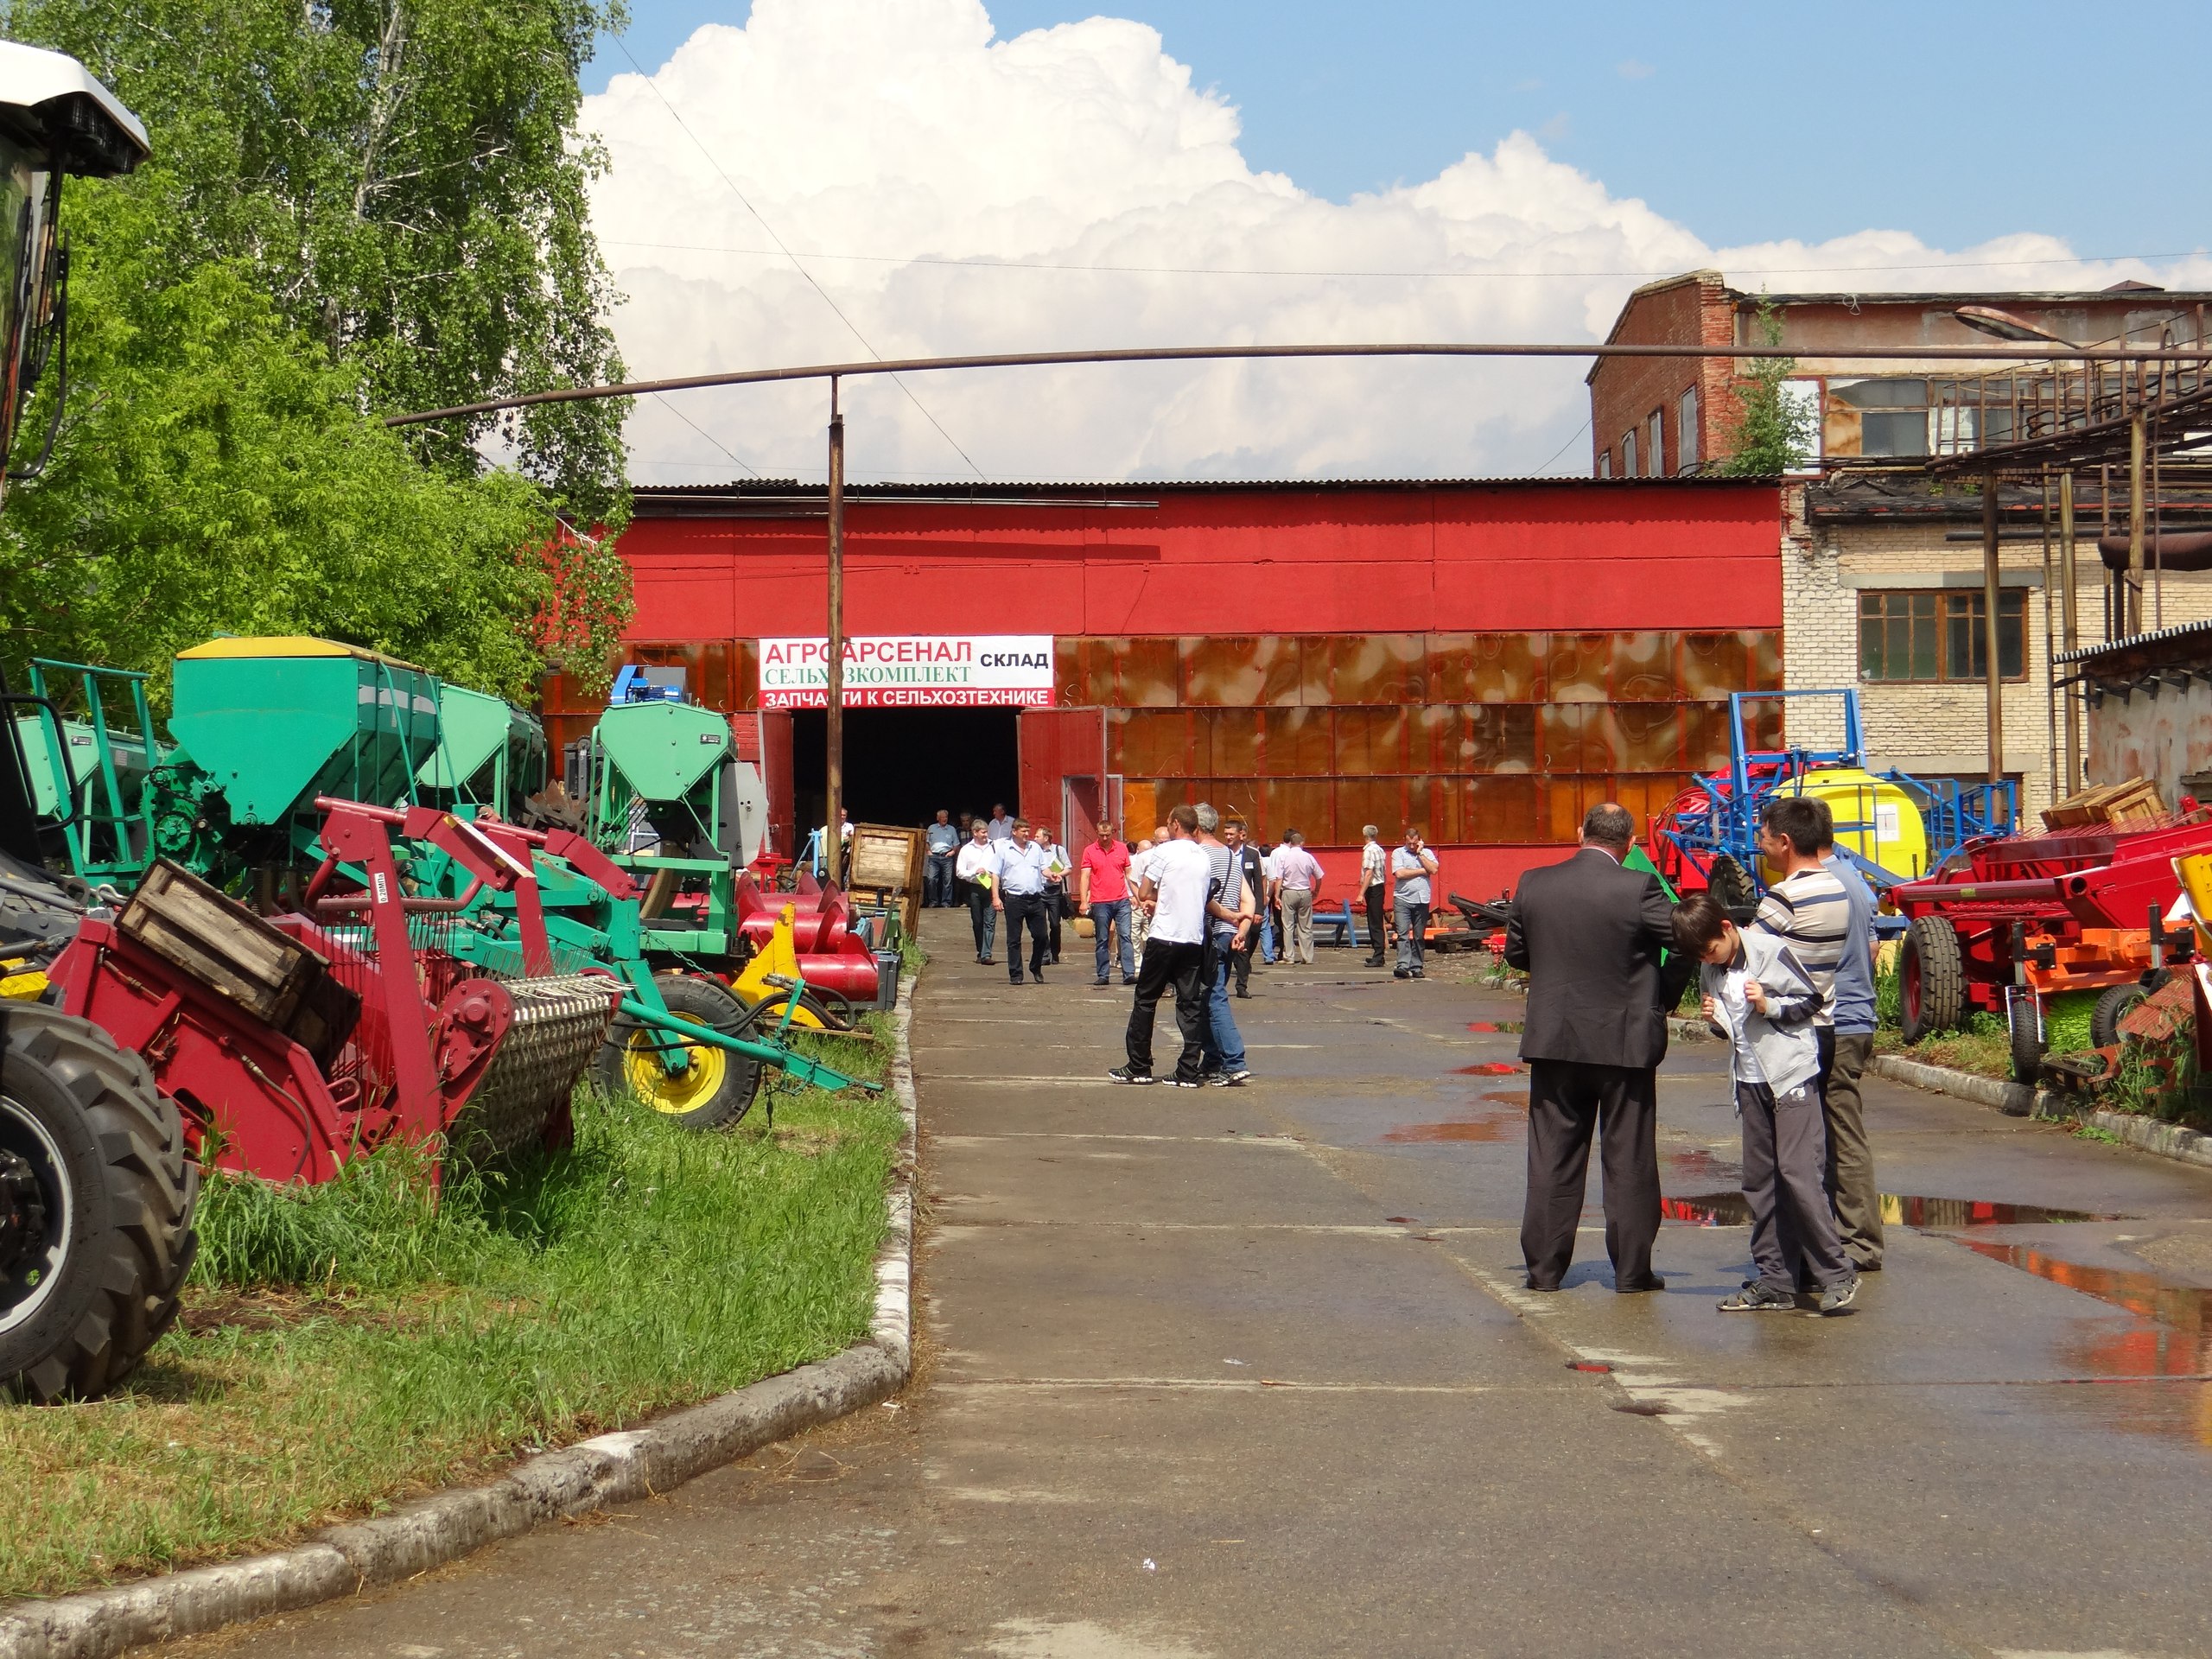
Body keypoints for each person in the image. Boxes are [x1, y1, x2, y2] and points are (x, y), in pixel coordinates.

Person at [1504, 802, 1688, 1295]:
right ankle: (1631, 1273)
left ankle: (1543, 1271)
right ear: (1630, 844)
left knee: (1551, 1158)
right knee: (1628, 1158)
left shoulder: (1534, 883)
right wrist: (1662, 996)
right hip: (1625, 1042)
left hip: (1555, 1039)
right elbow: (1688, 938)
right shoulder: (1639, 887)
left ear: (1579, 830)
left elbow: (1517, 953)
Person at [1675, 891, 1858, 1314]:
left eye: (1711, 949)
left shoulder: (1770, 950)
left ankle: (1837, 1272)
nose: (1711, 959)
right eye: (1702, 957)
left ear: (1726, 928)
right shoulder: (1711, 968)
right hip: (1749, 1080)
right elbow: (1731, 1030)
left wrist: (1768, 1003)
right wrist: (1715, 1020)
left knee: (1798, 1173)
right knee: (1760, 1181)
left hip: (1789, 1075)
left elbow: (1813, 1001)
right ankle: (1775, 1280)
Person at [1815, 809, 1885, 1274]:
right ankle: (1848, 1236)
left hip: (1835, 1022)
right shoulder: (1854, 879)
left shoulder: (1822, 885)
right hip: (1856, 1016)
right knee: (1839, 1127)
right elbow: (1875, 945)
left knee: (1838, 1132)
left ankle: (1859, 1242)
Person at [1110, 805, 1211, 1086]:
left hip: (1165, 934)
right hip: (1192, 937)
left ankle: (1139, 1065)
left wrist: (1156, 897)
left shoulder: (1164, 852)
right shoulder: (1203, 856)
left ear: (1176, 824)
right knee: (1189, 1003)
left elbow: (1143, 891)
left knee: (1145, 999)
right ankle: (1188, 1070)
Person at [1194, 803, 1258, 1084]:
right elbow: (1250, 900)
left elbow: (1198, 897)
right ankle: (1212, 1058)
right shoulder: (1232, 857)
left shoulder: (1199, 856)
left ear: (1195, 827)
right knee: (1206, 997)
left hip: (1207, 935)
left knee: (1214, 997)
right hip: (1227, 934)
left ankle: (1234, 1060)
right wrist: (1241, 930)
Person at [992, 820, 1051, 983]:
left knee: (1041, 937)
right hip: (1014, 899)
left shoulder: (1035, 848)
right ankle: (1016, 974)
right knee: (1014, 939)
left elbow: (1043, 868)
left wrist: (1051, 875)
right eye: (1023, 831)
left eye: (1028, 831)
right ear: (1014, 832)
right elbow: (995, 874)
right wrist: (996, 897)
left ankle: (1035, 966)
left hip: (1035, 899)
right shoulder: (1004, 850)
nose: (1026, 834)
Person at [1080, 822, 1136, 987]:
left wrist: (1136, 896)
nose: (1104, 838)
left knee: (1126, 936)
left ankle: (1129, 974)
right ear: (1097, 833)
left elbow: (1129, 874)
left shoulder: (1122, 848)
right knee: (1102, 938)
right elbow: (1085, 876)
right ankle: (1103, 974)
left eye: (1108, 835)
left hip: (1122, 900)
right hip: (1100, 901)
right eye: (1101, 835)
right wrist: (1084, 901)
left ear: (1113, 833)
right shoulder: (1089, 851)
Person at [1222, 821, 1269, 997]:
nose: (1227, 837)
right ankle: (1239, 986)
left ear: (1240, 834)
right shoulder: (1222, 853)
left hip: (1247, 908)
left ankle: (1241, 985)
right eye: (1225, 834)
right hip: (1227, 907)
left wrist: (1259, 910)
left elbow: (1258, 884)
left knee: (1245, 947)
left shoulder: (1251, 855)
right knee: (1232, 948)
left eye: (1231, 834)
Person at [1390, 828, 1440, 979]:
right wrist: (1421, 871)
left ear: (1419, 841)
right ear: (1404, 840)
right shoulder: (1398, 853)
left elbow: (1434, 869)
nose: (1411, 846)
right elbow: (1400, 873)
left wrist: (1420, 854)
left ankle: (1417, 966)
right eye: (1409, 843)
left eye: (1414, 843)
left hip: (1422, 899)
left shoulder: (1427, 853)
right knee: (1403, 933)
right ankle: (1403, 966)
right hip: (1403, 899)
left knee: (1419, 935)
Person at [1271, 829, 1324, 964]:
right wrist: (1316, 891)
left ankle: (1289, 956)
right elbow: (1319, 876)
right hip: (1305, 891)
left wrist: (1276, 896)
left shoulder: (1285, 857)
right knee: (1306, 926)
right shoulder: (1308, 857)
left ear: (1290, 843)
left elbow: (1279, 878)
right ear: (1302, 843)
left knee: (1287, 925)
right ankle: (1307, 956)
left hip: (1288, 891)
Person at [955, 819, 999, 963]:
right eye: (983, 832)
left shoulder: (994, 847)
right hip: (974, 888)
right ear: (975, 833)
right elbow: (960, 872)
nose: (986, 835)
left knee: (990, 922)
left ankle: (987, 954)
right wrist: (975, 872)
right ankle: (981, 951)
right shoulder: (966, 850)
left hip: (991, 888)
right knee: (977, 922)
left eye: (987, 832)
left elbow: (1002, 866)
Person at [1359, 823, 1390, 967]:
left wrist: (1361, 893)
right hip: (1380, 886)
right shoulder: (1379, 849)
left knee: (1374, 922)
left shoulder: (1369, 851)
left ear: (1365, 835)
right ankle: (1378, 954)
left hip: (1374, 888)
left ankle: (1378, 955)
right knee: (1376, 920)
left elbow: (1369, 872)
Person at [924, 810, 959, 907]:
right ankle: (933, 901)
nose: (945, 819)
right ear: (938, 818)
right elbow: (926, 842)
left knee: (947, 881)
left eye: (946, 817)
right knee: (931, 879)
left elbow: (956, 844)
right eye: (943, 817)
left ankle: (946, 902)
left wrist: (952, 852)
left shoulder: (952, 829)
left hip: (947, 857)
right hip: (934, 856)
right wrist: (929, 852)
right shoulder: (931, 828)